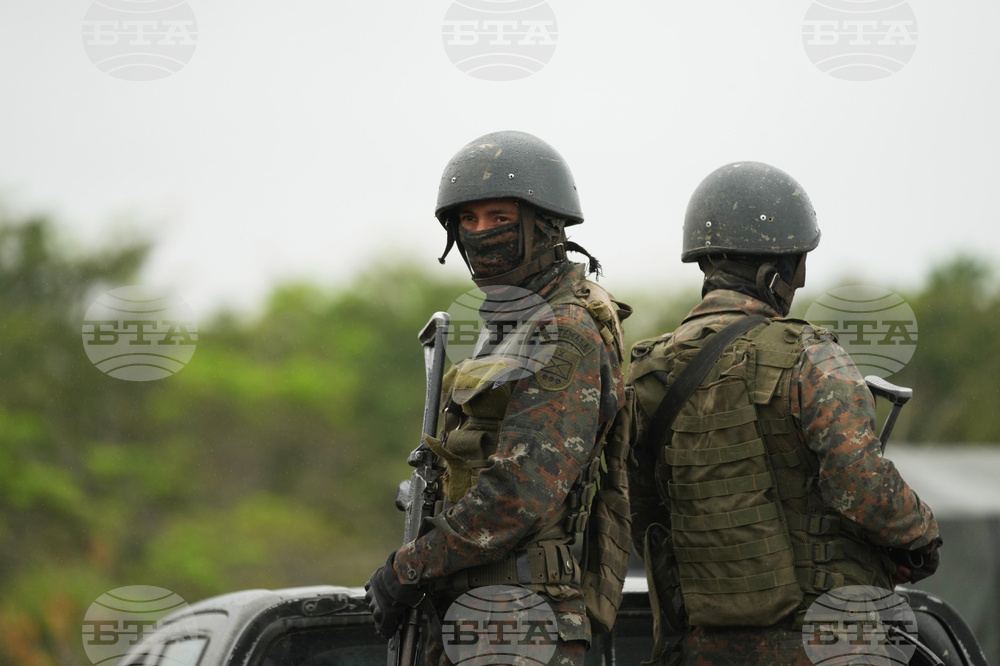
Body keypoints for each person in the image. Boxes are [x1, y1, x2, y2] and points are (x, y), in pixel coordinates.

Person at [626, 161, 942, 665]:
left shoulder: (649, 372)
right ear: (781, 269)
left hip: (699, 644)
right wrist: (920, 537)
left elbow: (642, 511)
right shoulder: (810, 356)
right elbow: (860, 483)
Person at [364, 130, 631, 665]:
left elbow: (519, 491)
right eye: (468, 220)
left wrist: (409, 567)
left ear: (544, 226)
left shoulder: (565, 329)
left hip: (519, 619)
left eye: (500, 219)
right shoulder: (511, 324)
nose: (481, 233)